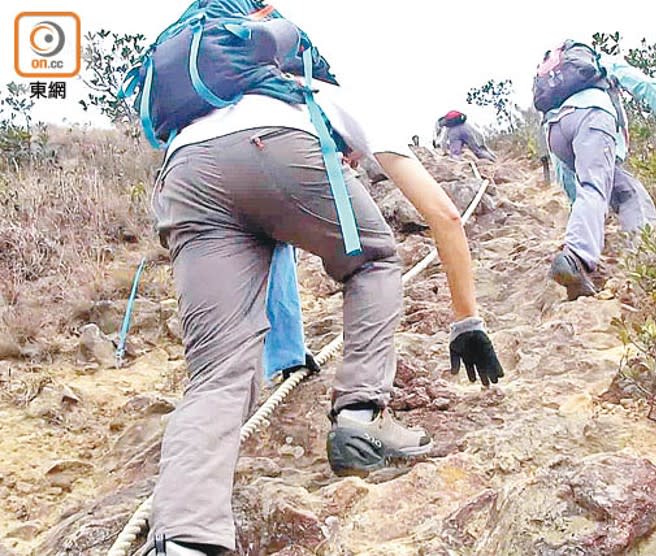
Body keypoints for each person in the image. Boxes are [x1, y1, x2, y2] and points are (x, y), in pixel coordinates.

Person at [135, 7, 504, 556]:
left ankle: (186, 538)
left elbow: (265, 242)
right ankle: (358, 418)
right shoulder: (323, 92)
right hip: (276, 146)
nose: (351, 165)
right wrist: (466, 321)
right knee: (375, 260)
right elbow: (443, 215)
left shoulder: (212, 99)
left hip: (185, 171)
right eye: (351, 160)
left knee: (215, 372)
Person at [535, 40, 656, 300]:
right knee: (627, 195)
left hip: (554, 131)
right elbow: (646, 86)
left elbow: (571, 183)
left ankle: (579, 272)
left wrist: (580, 209)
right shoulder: (600, 61)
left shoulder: (555, 84)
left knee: (603, 190)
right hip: (592, 116)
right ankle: (635, 261)